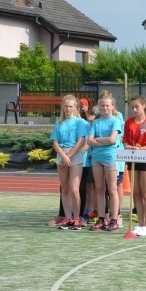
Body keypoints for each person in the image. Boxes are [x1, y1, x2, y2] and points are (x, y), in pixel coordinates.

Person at [123, 95, 146, 237]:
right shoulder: (129, 122)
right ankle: (139, 224)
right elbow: (125, 140)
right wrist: (127, 145)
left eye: (137, 106)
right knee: (136, 192)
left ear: (144, 105)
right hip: (133, 159)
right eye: (132, 107)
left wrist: (141, 149)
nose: (134, 109)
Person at [51, 95, 89, 230]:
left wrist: (69, 156)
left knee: (74, 189)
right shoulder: (59, 123)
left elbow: (80, 141)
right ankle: (67, 217)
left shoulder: (80, 122)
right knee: (65, 189)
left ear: (75, 107)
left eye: (71, 106)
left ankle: (77, 218)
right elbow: (55, 142)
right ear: (63, 107)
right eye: (66, 106)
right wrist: (63, 156)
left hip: (74, 155)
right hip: (62, 154)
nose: (68, 109)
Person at [87, 91, 123, 232]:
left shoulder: (116, 121)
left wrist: (97, 141)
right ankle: (102, 218)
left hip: (110, 157)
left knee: (112, 189)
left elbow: (112, 139)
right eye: (103, 106)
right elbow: (89, 140)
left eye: (108, 105)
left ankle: (114, 218)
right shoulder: (96, 122)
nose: (105, 108)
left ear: (112, 106)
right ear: (100, 107)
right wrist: (102, 141)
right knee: (99, 189)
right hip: (97, 158)